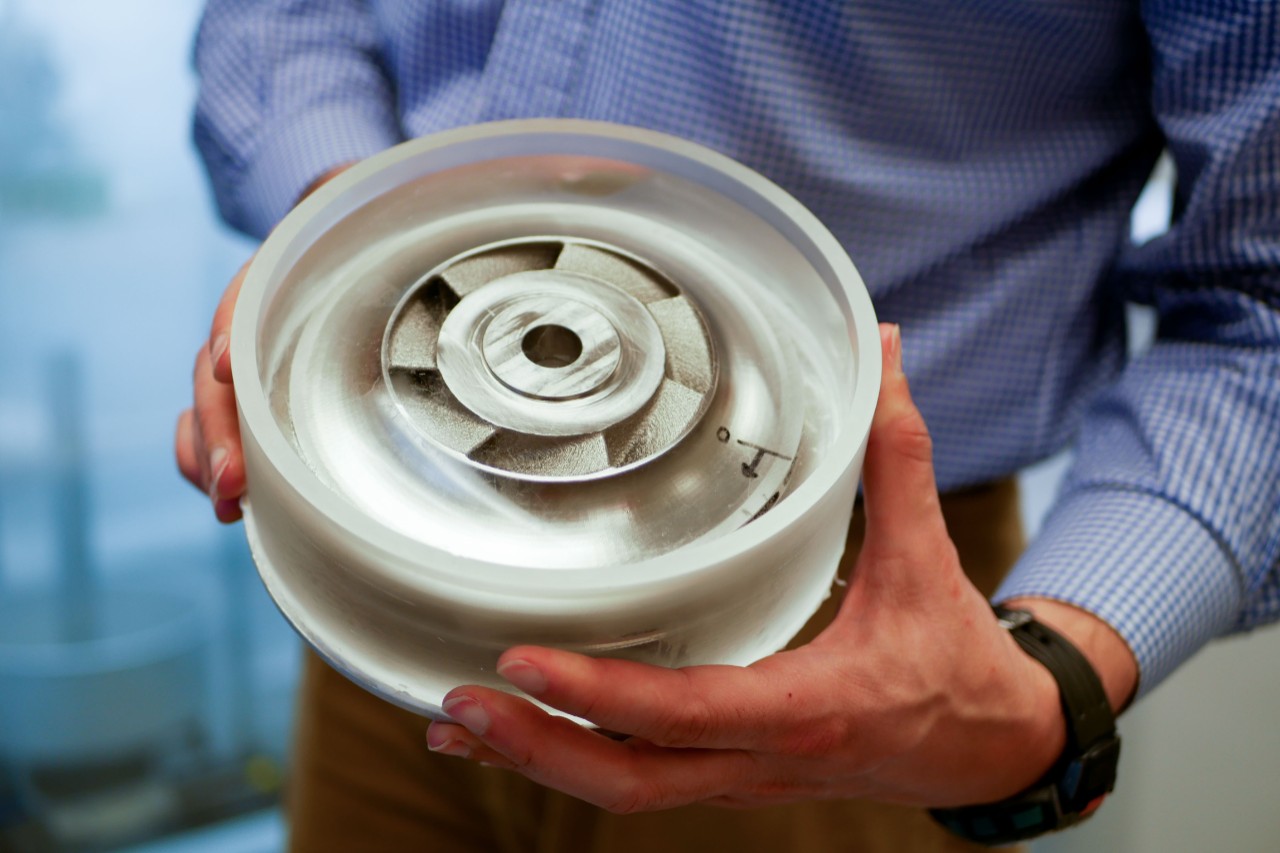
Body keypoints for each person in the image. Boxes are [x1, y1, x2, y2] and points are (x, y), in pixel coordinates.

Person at [176, 2, 1280, 850]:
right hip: (387, 550)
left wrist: (1044, 684)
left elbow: (1262, 302)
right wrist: (341, 229)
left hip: (820, 650)